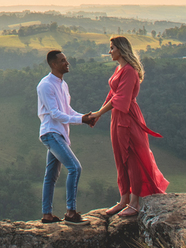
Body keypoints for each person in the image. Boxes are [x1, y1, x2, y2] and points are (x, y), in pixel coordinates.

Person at [84, 36, 168, 219]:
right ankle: (123, 200)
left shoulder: (129, 71)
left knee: (132, 159)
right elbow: (112, 94)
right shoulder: (120, 68)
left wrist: (98, 114)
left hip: (128, 118)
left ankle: (135, 203)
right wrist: (99, 113)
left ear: (121, 50)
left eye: (112, 48)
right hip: (117, 117)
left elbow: (120, 99)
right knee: (120, 158)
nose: (110, 51)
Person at [37, 49, 96, 225]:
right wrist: (81, 119)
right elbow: (55, 114)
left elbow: (66, 110)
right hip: (51, 132)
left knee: (51, 176)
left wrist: (84, 117)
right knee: (75, 168)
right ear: (53, 64)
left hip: (60, 134)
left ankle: (47, 215)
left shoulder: (63, 84)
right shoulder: (45, 85)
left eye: (66, 59)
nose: (67, 62)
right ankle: (71, 213)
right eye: (63, 60)